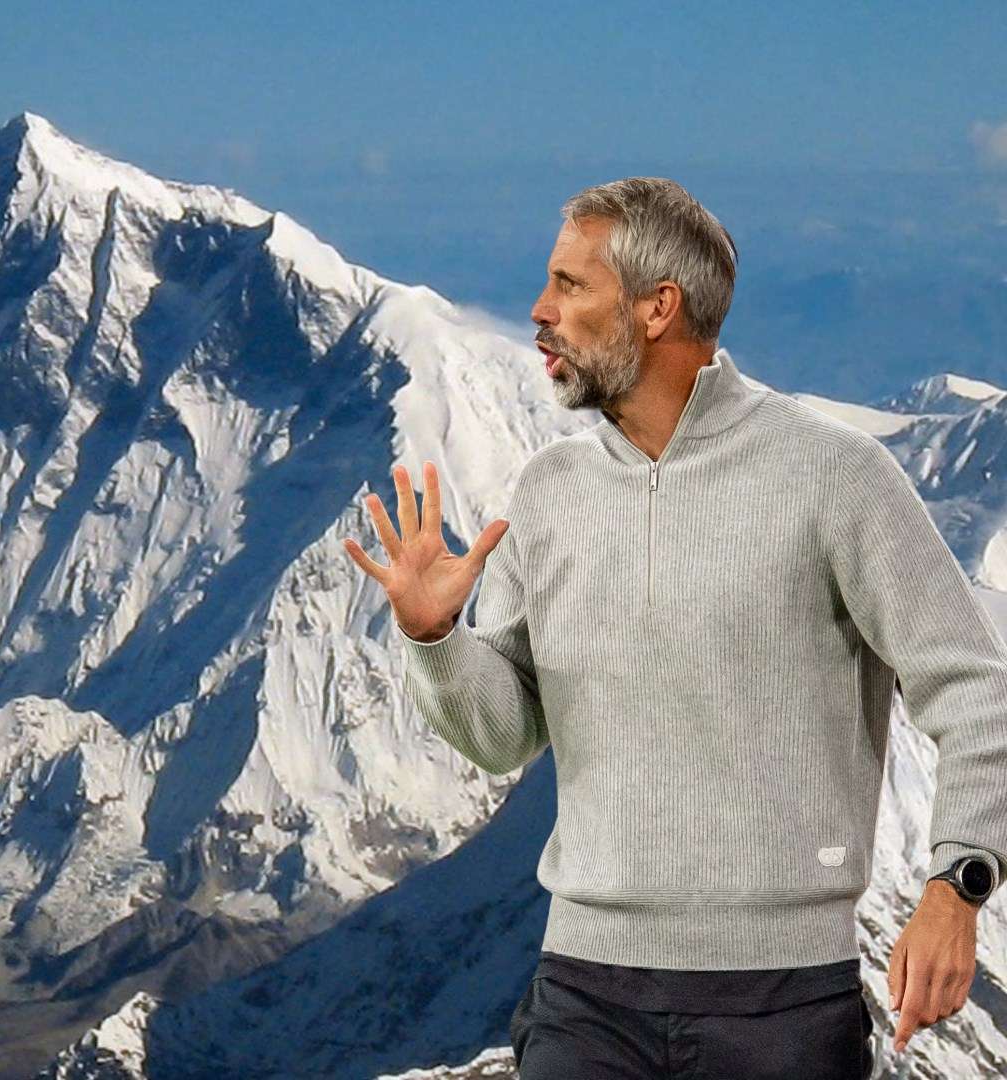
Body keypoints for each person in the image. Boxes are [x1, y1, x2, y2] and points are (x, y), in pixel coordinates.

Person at [343, 177, 1007, 1078]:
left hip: (783, 1004)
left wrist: (957, 884)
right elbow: (502, 737)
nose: (538, 311)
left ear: (658, 308)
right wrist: (434, 638)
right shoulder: (549, 494)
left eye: (571, 286)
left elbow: (976, 688)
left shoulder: (833, 477)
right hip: (583, 995)